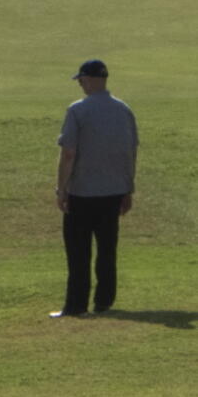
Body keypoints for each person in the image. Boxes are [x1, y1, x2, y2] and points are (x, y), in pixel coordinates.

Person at [52, 59, 138, 318]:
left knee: (78, 252)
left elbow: (69, 153)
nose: (80, 84)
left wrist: (61, 188)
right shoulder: (123, 110)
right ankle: (104, 302)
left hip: (82, 192)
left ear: (89, 79)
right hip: (113, 192)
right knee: (107, 249)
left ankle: (76, 305)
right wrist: (128, 188)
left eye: (81, 79)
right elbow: (130, 152)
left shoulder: (78, 110)